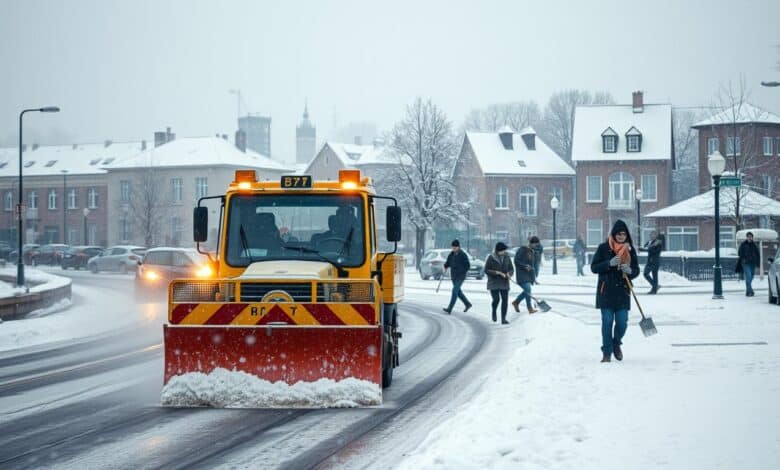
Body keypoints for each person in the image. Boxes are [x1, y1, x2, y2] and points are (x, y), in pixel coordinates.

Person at [591, 220, 639, 363]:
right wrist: (609, 263)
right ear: (614, 234)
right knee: (607, 322)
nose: (621, 236)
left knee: (622, 322)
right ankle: (607, 352)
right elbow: (594, 268)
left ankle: (616, 343)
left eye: (624, 234)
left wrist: (630, 271)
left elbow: (636, 270)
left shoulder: (630, 250)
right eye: (619, 234)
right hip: (606, 291)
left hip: (623, 293)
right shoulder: (603, 248)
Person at [485, 242, 514, 324]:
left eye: (504, 250)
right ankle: (494, 310)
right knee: (496, 299)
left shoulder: (507, 257)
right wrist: (497, 272)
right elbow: (486, 270)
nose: (504, 252)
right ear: (498, 251)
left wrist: (509, 273)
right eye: (502, 250)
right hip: (494, 282)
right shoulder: (491, 257)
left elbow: (511, 269)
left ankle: (503, 319)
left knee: (505, 300)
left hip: (504, 282)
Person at [443, 239, 472, 314]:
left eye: (455, 247)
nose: (453, 249)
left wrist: (462, 271)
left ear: (458, 247)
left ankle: (450, 308)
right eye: (452, 247)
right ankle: (467, 304)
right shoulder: (451, 254)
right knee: (458, 292)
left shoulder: (463, 254)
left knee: (454, 291)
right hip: (454, 276)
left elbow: (467, 266)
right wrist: (445, 266)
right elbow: (448, 262)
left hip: (460, 276)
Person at [512, 236, 539, 314]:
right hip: (521, 274)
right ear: (531, 243)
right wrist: (524, 266)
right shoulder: (522, 249)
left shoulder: (532, 251)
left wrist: (534, 278)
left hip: (528, 275)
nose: (536, 246)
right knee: (527, 289)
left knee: (527, 290)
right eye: (535, 244)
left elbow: (532, 266)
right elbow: (516, 261)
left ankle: (516, 302)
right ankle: (529, 308)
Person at [737, 231, 760, 297]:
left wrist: (758, 263)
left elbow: (757, 254)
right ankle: (750, 291)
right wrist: (743, 258)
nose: (750, 238)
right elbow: (739, 253)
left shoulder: (754, 245)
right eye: (748, 237)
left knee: (751, 276)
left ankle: (749, 291)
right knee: (748, 276)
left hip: (753, 263)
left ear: (752, 237)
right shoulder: (743, 244)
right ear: (747, 237)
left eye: (751, 237)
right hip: (746, 263)